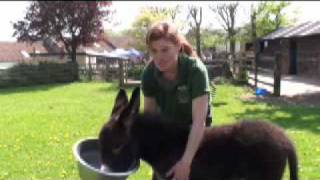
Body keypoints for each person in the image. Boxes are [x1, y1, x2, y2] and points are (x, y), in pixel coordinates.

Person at [141, 21, 213, 180]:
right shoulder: (149, 74)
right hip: (168, 133)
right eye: (154, 51)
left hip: (196, 133)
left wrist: (185, 162)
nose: (159, 57)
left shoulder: (196, 71)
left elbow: (199, 122)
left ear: (178, 46)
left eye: (165, 50)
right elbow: (150, 122)